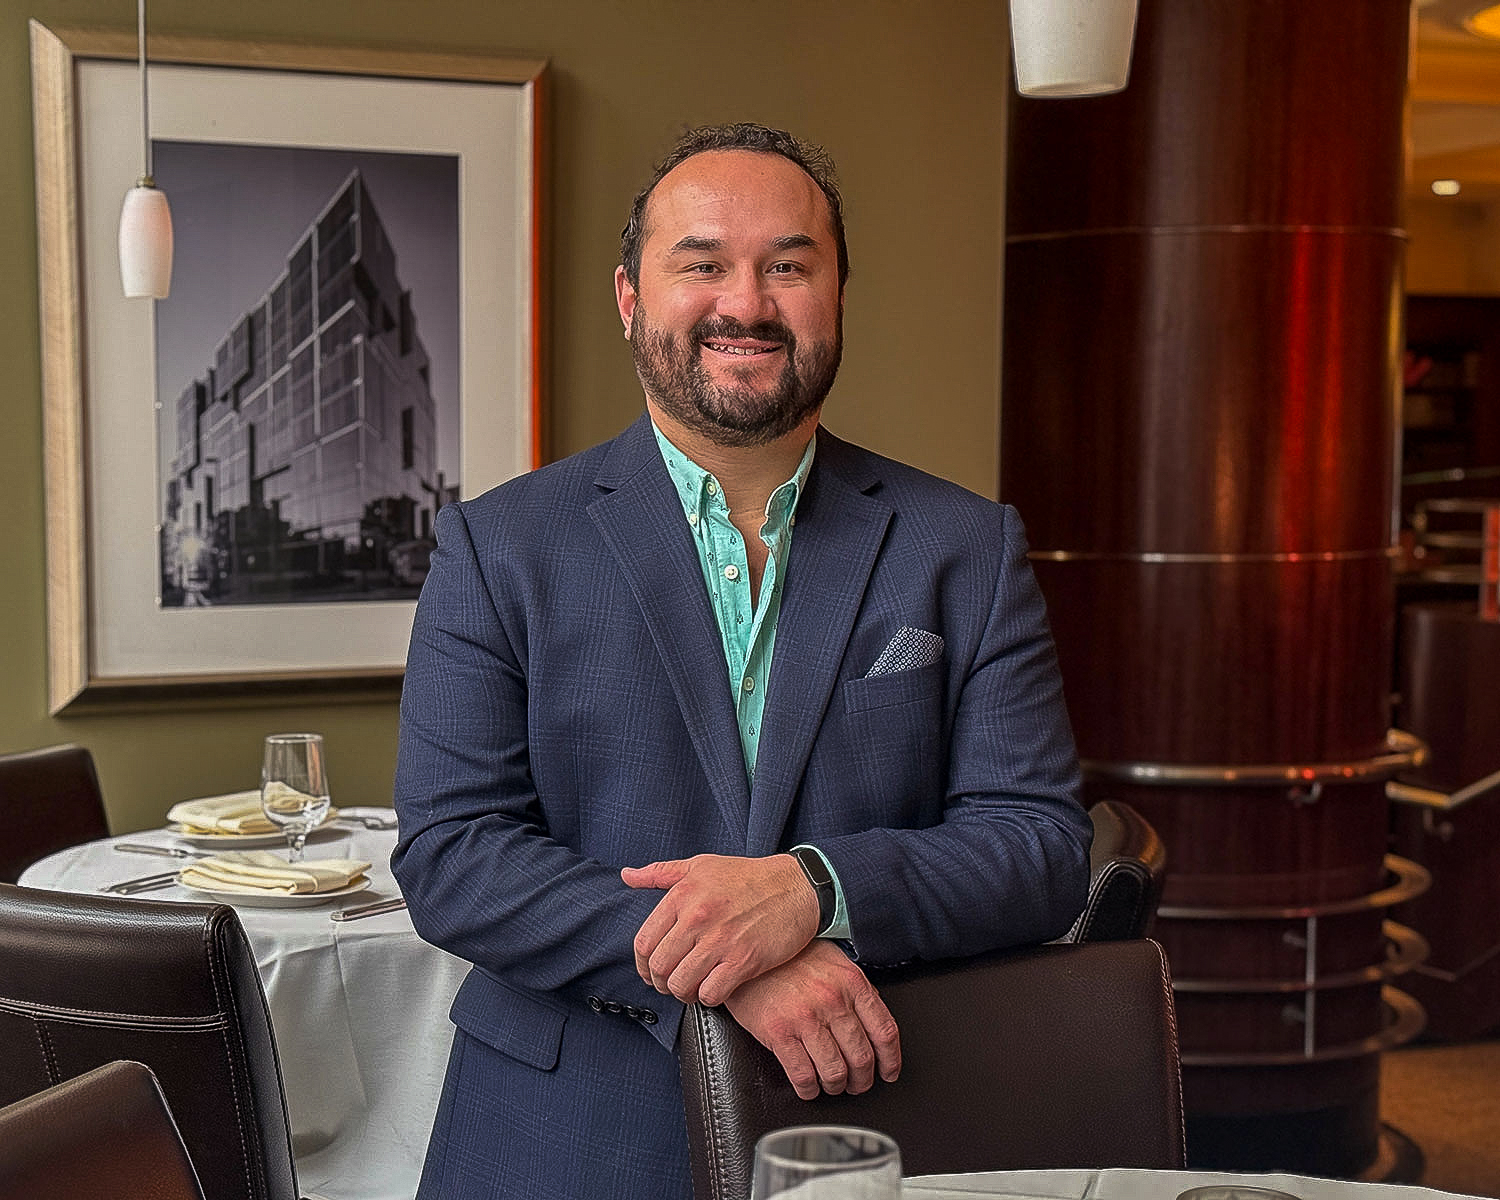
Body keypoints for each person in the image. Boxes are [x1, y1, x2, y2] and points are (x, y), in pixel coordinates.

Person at [392, 121, 1091, 1200]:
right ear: (630, 297)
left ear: (840, 294)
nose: (747, 303)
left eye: (789, 266)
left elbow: (1039, 844)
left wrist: (815, 890)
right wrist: (727, 962)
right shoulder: (497, 545)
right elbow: (454, 855)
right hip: (564, 1135)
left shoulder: (966, 544)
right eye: (703, 263)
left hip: (874, 1121)